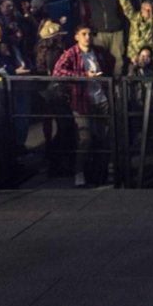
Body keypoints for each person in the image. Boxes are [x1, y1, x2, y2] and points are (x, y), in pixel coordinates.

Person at [52, 24, 115, 187]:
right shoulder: (71, 53)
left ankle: (101, 172)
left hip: (101, 99)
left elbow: (110, 63)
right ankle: (79, 173)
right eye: (84, 34)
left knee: (103, 138)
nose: (88, 37)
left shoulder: (98, 51)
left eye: (90, 34)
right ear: (77, 36)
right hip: (81, 101)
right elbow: (58, 71)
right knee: (85, 138)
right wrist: (82, 76)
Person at [75, 0, 126, 75]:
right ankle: (103, 84)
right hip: (99, 33)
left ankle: (117, 85)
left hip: (116, 32)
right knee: (99, 59)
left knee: (118, 60)